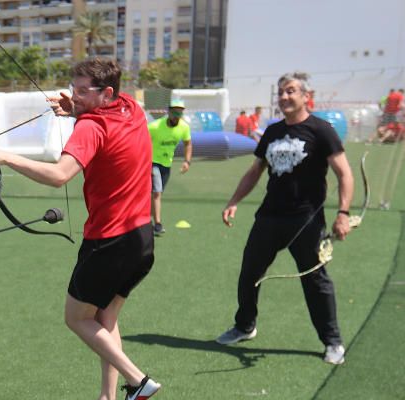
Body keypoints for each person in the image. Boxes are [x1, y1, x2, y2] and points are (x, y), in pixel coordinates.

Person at [0, 58, 161, 400]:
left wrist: (5, 156)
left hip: (108, 242)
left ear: (106, 92)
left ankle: (137, 381)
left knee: (77, 318)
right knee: (105, 319)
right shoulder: (131, 109)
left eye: (81, 90)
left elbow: (60, 175)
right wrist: (75, 109)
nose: (73, 95)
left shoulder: (91, 126)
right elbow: (105, 129)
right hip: (141, 240)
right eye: (72, 88)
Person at [216, 71, 354, 365]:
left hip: (306, 220)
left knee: (315, 280)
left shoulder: (321, 130)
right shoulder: (272, 132)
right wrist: (234, 201)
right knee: (249, 274)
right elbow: (255, 171)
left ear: (306, 96)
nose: (284, 97)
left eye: (291, 91)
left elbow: (345, 173)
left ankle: (332, 341)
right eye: (281, 92)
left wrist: (343, 213)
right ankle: (245, 326)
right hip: (269, 217)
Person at [147, 99, 192, 236]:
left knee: (156, 194)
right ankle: (158, 224)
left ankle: (141, 218)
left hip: (167, 164)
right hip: (151, 162)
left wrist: (187, 161)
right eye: (174, 112)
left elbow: (188, 144)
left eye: (180, 112)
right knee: (157, 192)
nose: (177, 115)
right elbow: (141, 143)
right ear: (168, 111)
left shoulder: (184, 127)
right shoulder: (154, 127)